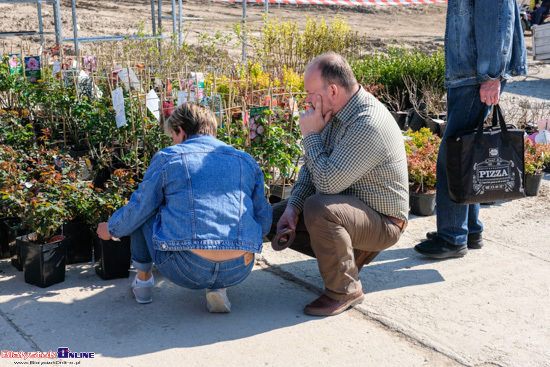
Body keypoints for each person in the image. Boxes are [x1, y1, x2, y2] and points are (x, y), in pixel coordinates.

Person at [267, 52, 409, 317]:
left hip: (383, 223)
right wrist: (292, 209)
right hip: (352, 211)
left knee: (319, 208)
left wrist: (310, 135)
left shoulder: (367, 123)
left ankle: (345, 290)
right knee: (269, 217)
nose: (306, 100)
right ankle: (222, 264)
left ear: (333, 90)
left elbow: (327, 183)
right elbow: (312, 168)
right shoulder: (336, 112)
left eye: (310, 92)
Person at [97, 101, 272, 312]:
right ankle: (219, 288)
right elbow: (263, 219)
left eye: (173, 134)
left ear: (180, 130)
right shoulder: (246, 160)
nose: (173, 140)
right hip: (240, 267)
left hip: (186, 268)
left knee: (146, 209)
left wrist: (111, 229)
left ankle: (143, 282)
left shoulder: (170, 157)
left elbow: (140, 208)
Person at [414, 0, 527, 259]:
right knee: (468, 151)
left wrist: (491, 75)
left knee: (454, 157)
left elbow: (496, 20)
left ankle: (453, 236)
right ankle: (470, 230)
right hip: (470, 75)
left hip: (476, 76)